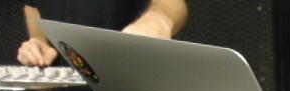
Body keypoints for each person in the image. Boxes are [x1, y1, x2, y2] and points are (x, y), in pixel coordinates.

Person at [17, 0, 188, 67]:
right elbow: (32, 6)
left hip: (129, 84)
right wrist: (38, 41)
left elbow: (172, 4)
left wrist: (159, 20)